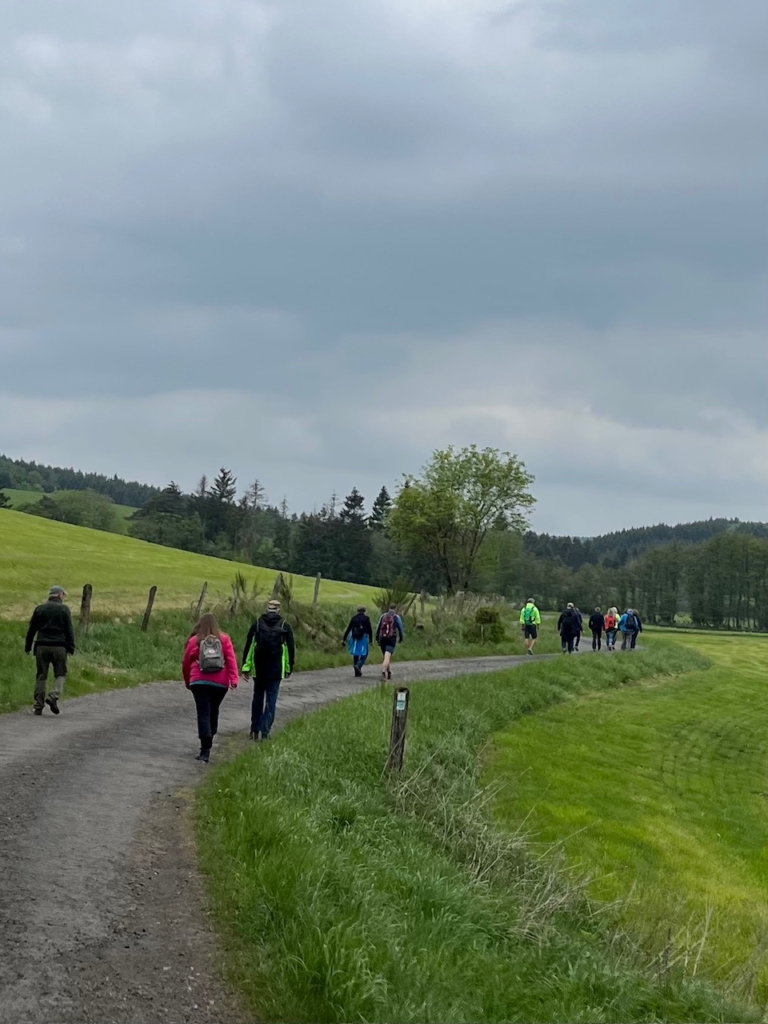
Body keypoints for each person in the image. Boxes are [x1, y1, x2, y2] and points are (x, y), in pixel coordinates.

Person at [182, 612, 239, 762]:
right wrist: (233, 678)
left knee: (203, 712)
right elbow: (231, 659)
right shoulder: (224, 639)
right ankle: (210, 735)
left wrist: (188, 680)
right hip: (220, 682)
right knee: (214, 710)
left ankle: (204, 748)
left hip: (199, 681)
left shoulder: (194, 640)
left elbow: (186, 662)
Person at [242, 599, 295, 741]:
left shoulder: (258, 623)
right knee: (271, 701)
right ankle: (265, 732)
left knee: (257, 699)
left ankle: (254, 729)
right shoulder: (285, 625)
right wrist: (290, 667)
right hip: (276, 669)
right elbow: (290, 648)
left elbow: (249, 645)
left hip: (259, 668)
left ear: (267, 609)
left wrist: (245, 667)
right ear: (279, 610)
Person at [25, 585, 75, 716]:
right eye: (63, 595)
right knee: (61, 673)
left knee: (41, 675)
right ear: (59, 595)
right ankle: (53, 696)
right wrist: (71, 647)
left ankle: (38, 706)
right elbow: (69, 630)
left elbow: (32, 630)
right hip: (59, 646)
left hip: (41, 645)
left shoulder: (39, 609)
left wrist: (28, 646)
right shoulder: (64, 609)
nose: (63, 597)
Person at [342, 606, 373, 677]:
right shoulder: (366, 618)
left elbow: (348, 628)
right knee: (364, 653)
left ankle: (356, 671)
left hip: (354, 638)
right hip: (363, 638)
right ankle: (359, 665)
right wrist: (371, 640)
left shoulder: (354, 618)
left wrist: (344, 639)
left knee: (356, 653)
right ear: (364, 611)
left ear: (357, 611)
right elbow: (370, 630)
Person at [376, 604, 404, 680]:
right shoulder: (396, 617)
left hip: (382, 638)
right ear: (396, 608)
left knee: (385, 656)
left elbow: (378, 627)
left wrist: (377, 638)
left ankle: (389, 672)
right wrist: (401, 638)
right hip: (391, 638)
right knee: (387, 656)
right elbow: (400, 629)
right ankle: (383, 671)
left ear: (389, 608)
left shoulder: (383, 616)